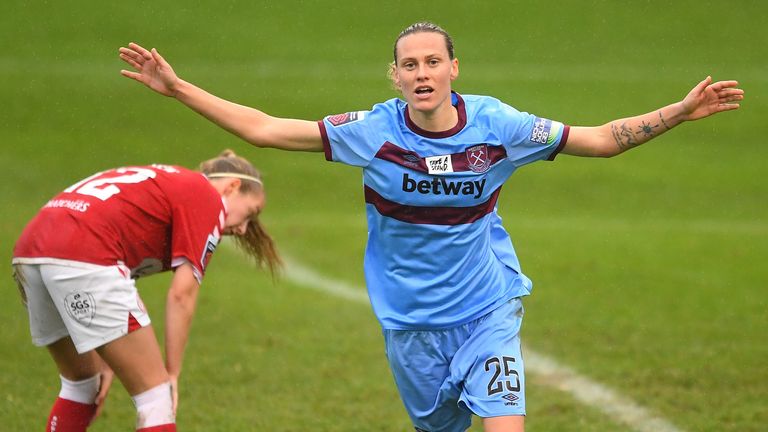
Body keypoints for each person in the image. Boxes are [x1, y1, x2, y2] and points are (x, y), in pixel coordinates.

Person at [118, 21, 743, 432]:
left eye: (432, 62)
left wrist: (681, 112)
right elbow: (265, 128)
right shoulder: (374, 130)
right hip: (411, 324)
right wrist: (178, 90)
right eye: (409, 64)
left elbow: (602, 140)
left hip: (487, 309)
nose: (421, 73)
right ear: (395, 76)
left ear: (453, 69)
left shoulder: (499, 126)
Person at [12, 150, 280, 432]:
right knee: (155, 398)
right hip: (85, 256)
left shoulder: (167, 180)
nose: (243, 229)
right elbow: (181, 295)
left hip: (31, 253)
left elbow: (116, 241)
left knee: (81, 384)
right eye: (250, 213)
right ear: (232, 187)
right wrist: (171, 374)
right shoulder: (208, 198)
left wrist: (110, 355)